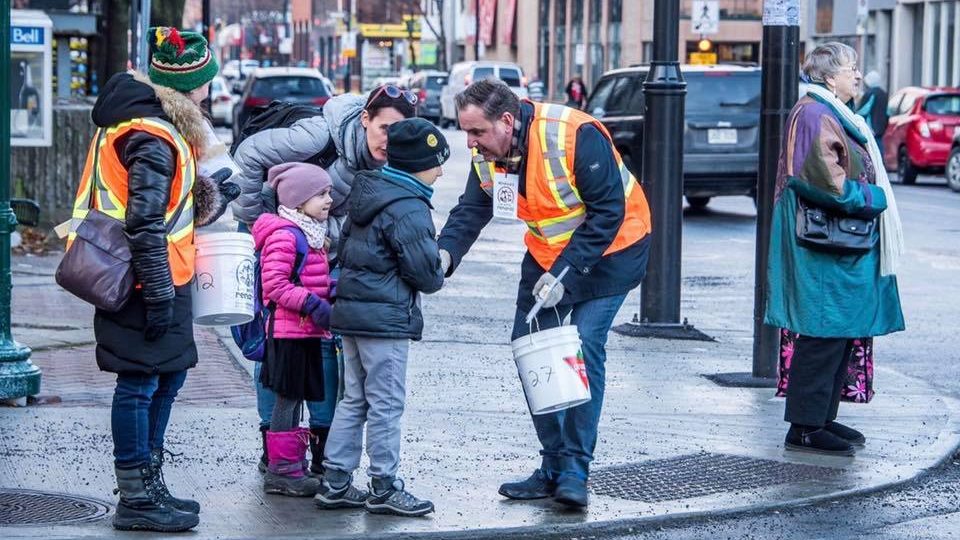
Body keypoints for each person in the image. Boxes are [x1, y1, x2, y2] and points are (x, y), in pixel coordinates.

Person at [437, 80, 652, 508]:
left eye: (476, 132)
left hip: (614, 250)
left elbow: (608, 212)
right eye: (465, 132)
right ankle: (552, 466)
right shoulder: (489, 153)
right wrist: (444, 255)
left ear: (506, 120)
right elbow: (473, 208)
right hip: (548, 256)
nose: (470, 142)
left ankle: (575, 469)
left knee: (583, 347)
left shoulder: (574, 134)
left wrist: (564, 277)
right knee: (533, 348)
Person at [74, 27, 226, 532]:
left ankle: (150, 483)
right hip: (140, 279)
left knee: (168, 375)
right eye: (208, 79)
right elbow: (143, 221)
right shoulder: (152, 133)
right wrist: (159, 292)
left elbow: (164, 206)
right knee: (139, 383)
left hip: (156, 273)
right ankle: (136, 497)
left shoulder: (154, 126)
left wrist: (208, 195)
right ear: (193, 85)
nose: (212, 88)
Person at [231, 85, 417, 475]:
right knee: (274, 346)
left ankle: (321, 443)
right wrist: (263, 226)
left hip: (324, 250)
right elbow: (247, 158)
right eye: (385, 128)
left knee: (324, 345)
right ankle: (274, 443)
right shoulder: (318, 133)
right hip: (282, 244)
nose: (390, 140)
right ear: (365, 119)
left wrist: (328, 236)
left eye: (399, 132)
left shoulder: (389, 165)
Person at [765, 42, 905, 457]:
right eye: (851, 69)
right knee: (823, 330)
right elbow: (825, 182)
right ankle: (805, 427)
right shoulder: (813, 113)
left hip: (836, 241)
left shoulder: (830, 112)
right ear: (829, 77)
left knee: (839, 331)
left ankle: (821, 417)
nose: (858, 76)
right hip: (821, 243)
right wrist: (875, 197)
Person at [315, 118, 448, 517]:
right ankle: (384, 485)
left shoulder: (370, 191)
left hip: (353, 315)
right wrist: (439, 264)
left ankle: (336, 480)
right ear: (416, 165)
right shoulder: (409, 207)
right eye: (436, 162)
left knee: (353, 399)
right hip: (384, 320)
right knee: (386, 404)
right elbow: (425, 274)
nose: (441, 171)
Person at [252, 163, 337, 497]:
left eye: (329, 192)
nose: (328, 199)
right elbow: (274, 285)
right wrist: (313, 304)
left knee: (295, 397)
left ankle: (290, 464)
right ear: (298, 201)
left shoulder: (309, 233)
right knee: (287, 399)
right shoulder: (287, 235)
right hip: (289, 332)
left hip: (303, 331)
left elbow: (309, 279)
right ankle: (282, 471)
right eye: (321, 194)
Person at [856, 70, 889, 146]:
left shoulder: (870, 93)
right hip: (881, 128)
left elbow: (864, 110)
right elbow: (887, 112)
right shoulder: (883, 93)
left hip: (871, 128)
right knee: (880, 149)